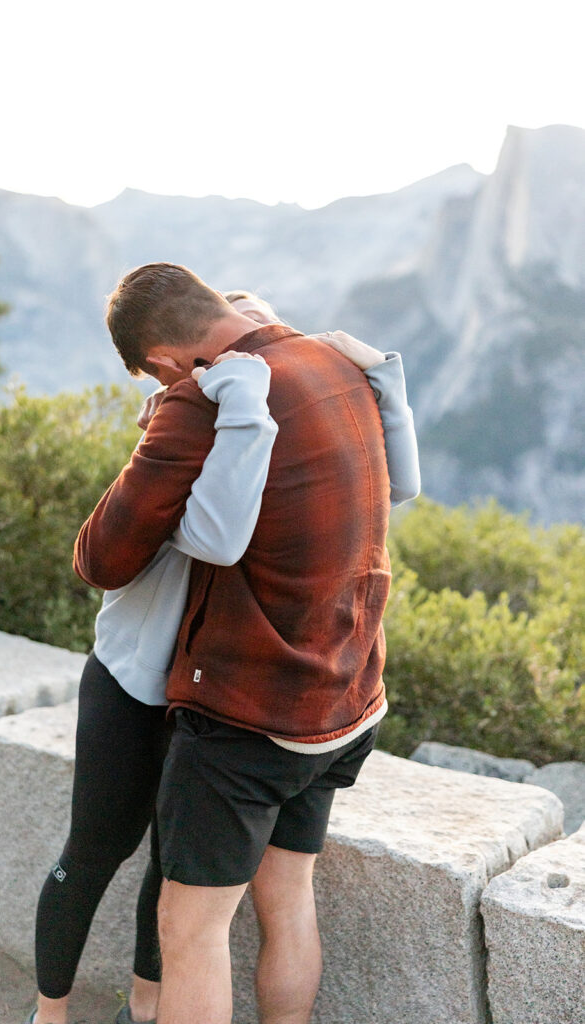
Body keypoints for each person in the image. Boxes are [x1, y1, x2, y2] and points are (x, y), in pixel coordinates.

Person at [27, 279, 419, 1024]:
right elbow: (401, 487)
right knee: (287, 902)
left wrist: (191, 414)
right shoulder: (337, 365)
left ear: (167, 359)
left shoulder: (204, 400)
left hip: (250, 708)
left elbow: (113, 555)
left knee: (191, 929)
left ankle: (104, 1010)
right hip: (345, 698)